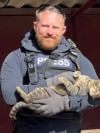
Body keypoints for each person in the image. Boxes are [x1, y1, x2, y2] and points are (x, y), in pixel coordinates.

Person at [0, 4, 100, 133]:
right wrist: (51, 82)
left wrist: (66, 103)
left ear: (63, 30)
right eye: (45, 26)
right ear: (35, 26)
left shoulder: (77, 59)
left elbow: (97, 95)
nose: (50, 32)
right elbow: (9, 96)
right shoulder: (17, 57)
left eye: (55, 27)